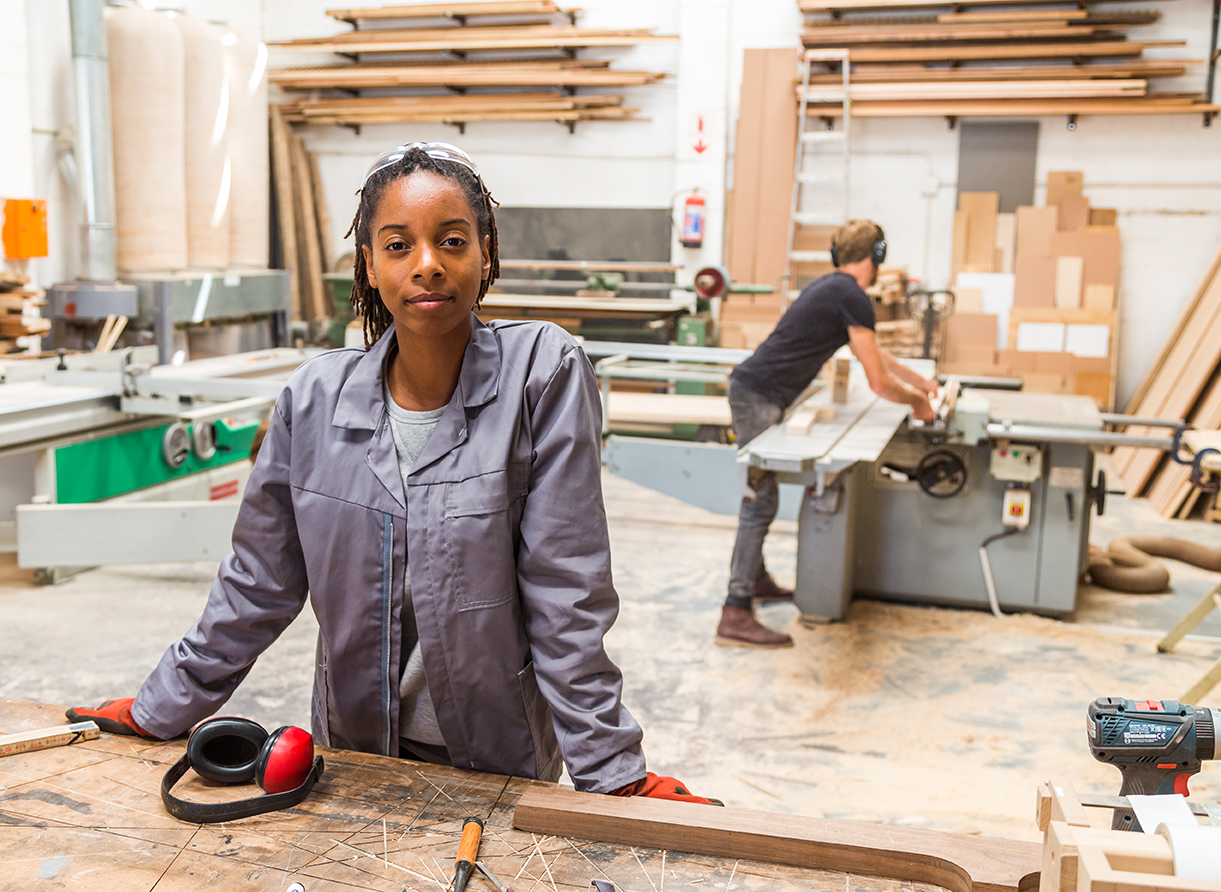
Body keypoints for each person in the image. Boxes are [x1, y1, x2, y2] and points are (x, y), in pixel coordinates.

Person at [68, 142, 713, 804]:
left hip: (499, 760)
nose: (427, 265)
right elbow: (258, 583)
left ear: (485, 254)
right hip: (354, 756)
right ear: (369, 265)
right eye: (399, 245)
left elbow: (565, 590)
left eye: (452, 241)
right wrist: (161, 707)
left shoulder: (541, 375)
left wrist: (613, 771)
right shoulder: (313, 400)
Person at [715, 219, 939, 649]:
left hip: (758, 392)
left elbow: (878, 356)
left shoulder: (836, 290)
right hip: (757, 396)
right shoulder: (851, 295)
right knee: (759, 502)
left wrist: (921, 383)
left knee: (761, 499)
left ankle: (755, 581)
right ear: (877, 256)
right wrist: (917, 404)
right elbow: (876, 381)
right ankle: (735, 610)